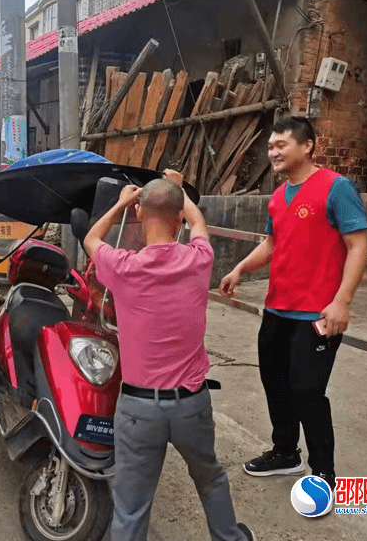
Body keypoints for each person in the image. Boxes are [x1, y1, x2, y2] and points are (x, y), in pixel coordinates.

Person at [83, 170, 253, 541]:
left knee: (131, 503)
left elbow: (91, 238)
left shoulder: (123, 266)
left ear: (141, 215)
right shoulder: (199, 260)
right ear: (178, 219)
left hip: (139, 409)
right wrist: (176, 190)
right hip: (191, 404)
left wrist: (122, 203)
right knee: (210, 478)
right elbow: (198, 222)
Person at [220, 117, 367, 492]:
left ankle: (323, 474)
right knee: (276, 384)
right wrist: (239, 268)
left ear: (308, 147)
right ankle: (285, 452)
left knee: (307, 392)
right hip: (277, 309)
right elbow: (271, 244)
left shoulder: (336, 188)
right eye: (271, 146)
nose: (273, 152)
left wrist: (342, 302)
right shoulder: (278, 196)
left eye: (281, 145)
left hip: (316, 314)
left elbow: (358, 246)